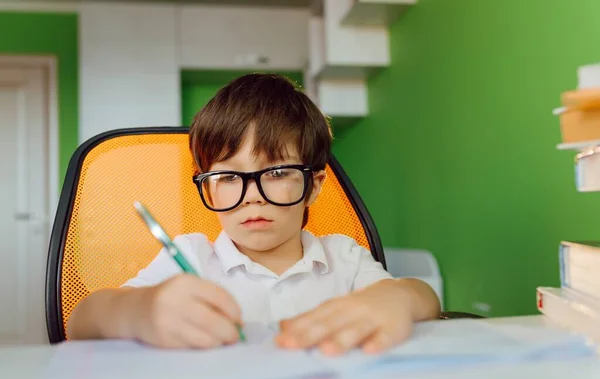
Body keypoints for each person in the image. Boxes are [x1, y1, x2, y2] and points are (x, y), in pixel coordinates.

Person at [67, 73, 441, 356]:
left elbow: (425, 299)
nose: (251, 198)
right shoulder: (192, 257)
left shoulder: (343, 258)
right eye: (229, 177)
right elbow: (82, 319)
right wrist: (140, 312)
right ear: (207, 186)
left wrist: (398, 298)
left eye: (277, 173)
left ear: (313, 185)